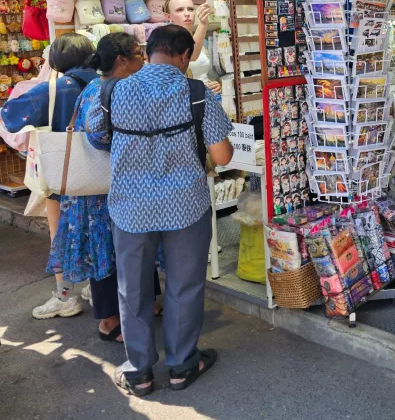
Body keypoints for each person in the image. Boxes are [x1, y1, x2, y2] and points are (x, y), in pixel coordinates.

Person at [86, 25, 233, 396]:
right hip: (186, 206)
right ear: (184, 56)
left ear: (148, 51)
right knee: (185, 285)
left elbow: (96, 134)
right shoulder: (196, 93)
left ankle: (139, 371)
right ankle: (183, 366)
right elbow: (222, 155)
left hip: (130, 208)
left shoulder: (112, 90)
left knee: (132, 289)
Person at [46, 33, 145, 341]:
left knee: (130, 247)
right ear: (122, 61)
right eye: (138, 53)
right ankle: (110, 319)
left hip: (111, 186)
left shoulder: (92, 86)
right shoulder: (112, 89)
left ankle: (142, 305)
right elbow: (97, 134)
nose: (143, 58)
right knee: (108, 252)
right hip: (102, 190)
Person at [1, 33, 97, 320]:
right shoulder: (104, 83)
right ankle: (97, 286)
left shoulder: (53, 89)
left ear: (55, 60)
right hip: (102, 174)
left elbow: (11, 116)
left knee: (62, 235)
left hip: (63, 175)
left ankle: (65, 296)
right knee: (99, 232)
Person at [162, 0, 221, 94]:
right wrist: (203, 24)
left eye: (190, 9)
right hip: (188, 101)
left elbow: (202, 74)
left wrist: (216, 85)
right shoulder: (167, 42)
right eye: (179, 10)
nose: (187, 13)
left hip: (208, 97)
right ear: (168, 16)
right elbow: (192, 55)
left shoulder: (199, 39)